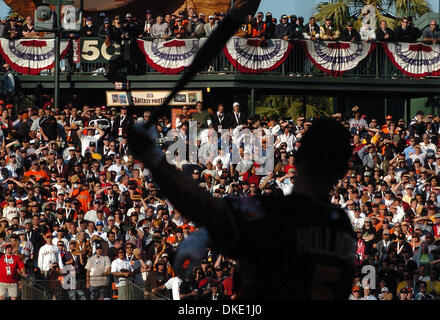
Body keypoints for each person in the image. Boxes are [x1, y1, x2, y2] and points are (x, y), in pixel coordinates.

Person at [128, 117, 356, 299]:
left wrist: (153, 158)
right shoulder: (343, 228)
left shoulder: (281, 212)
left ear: (297, 160)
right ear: (342, 170)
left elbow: (205, 208)